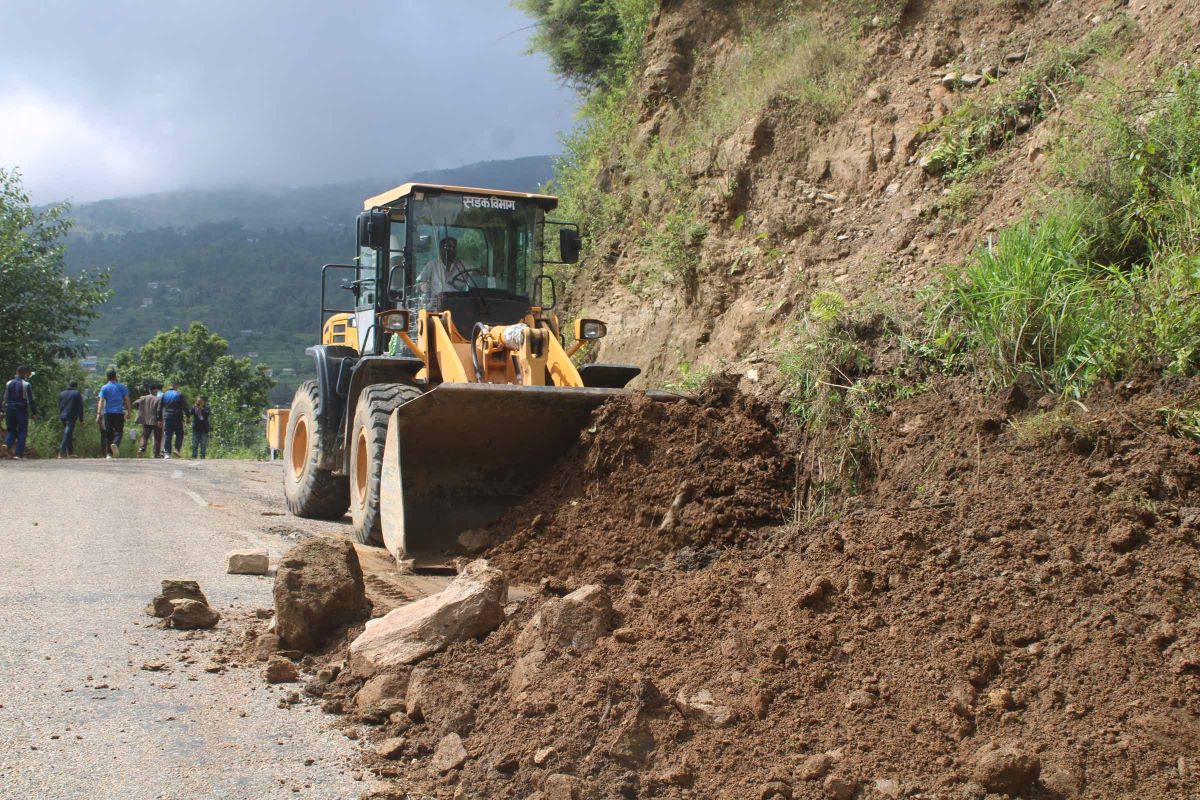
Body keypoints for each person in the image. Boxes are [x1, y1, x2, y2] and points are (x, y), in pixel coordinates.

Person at [415, 236, 473, 301]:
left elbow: (476, 275)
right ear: (440, 250)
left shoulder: (464, 266)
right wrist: (422, 286)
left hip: (458, 302)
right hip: (436, 303)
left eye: (453, 248)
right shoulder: (432, 265)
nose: (450, 250)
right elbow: (418, 283)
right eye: (448, 248)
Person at [96, 368, 131, 459]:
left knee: (108, 432)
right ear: (115, 376)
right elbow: (127, 400)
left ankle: (109, 454)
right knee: (119, 431)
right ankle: (115, 443)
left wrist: (99, 413)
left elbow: (101, 401)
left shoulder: (104, 387)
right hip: (119, 412)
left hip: (107, 413)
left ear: (107, 377)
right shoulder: (122, 387)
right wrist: (129, 411)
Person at [3, 366, 37, 459]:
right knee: (22, 431)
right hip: (21, 408)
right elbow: (31, 400)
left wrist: (2, 411)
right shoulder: (26, 384)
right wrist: (34, 412)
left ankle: (7, 444)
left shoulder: (8, 383)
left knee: (11, 429)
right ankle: (18, 454)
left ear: (17, 372)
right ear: (24, 373)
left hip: (10, 408)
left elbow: (5, 398)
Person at [159, 380, 188, 459]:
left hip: (167, 417)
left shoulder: (164, 395)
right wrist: (188, 416)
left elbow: (159, 408)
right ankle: (177, 449)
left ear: (170, 386)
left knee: (167, 434)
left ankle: (167, 453)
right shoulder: (179, 394)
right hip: (177, 416)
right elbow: (185, 406)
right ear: (176, 386)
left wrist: (159, 419)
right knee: (179, 434)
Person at [133, 384, 163, 457]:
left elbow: (135, 403)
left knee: (145, 436)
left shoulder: (143, 398)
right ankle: (156, 454)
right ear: (155, 390)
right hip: (156, 420)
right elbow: (159, 410)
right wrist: (160, 420)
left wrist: (141, 409)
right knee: (157, 437)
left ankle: (141, 448)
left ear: (149, 390)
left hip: (146, 420)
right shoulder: (158, 399)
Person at [57, 380, 84, 458]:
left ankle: (70, 452)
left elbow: (59, 405)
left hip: (62, 416)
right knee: (68, 432)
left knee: (69, 433)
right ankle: (61, 450)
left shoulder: (61, 393)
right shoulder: (76, 393)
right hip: (71, 416)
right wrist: (81, 419)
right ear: (76, 386)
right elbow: (80, 407)